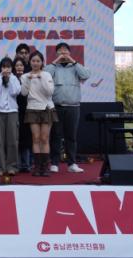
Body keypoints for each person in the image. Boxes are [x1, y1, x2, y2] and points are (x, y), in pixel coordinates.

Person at [45, 42, 90, 173]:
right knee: (56, 135)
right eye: (60, 51)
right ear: (56, 53)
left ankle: (72, 164)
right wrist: (56, 61)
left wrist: (72, 60)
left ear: (70, 53)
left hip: (73, 106)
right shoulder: (53, 67)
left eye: (65, 51)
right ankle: (54, 163)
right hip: (56, 106)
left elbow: (85, 75)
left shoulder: (75, 67)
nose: (63, 53)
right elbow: (45, 75)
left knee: (71, 136)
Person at [20, 51, 56, 177]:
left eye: (38, 61)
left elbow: (50, 92)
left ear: (42, 62)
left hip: (46, 108)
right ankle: (36, 166)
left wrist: (41, 78)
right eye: (33, 61)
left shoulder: (47, 74)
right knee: (35, 138)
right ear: (30, 62)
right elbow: (24, 93)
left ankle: (45, 167)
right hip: (32, 108)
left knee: (44, 138)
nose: (35, 63)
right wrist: (28, 80)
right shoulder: (25, 76)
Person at [0, 57, 22, 176]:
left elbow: (15, 92)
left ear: (11, 68)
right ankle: (0, 167)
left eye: (8, 67)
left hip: (12, 111)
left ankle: (11, 166)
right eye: (4, 67)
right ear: (0, 68)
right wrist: (1, 78)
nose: (6, 69)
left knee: (13, 139)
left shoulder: (15, 79)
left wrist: (10, 78)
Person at [13, 57, 31, 173]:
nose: (19, 67)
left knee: (26, 139)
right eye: (17, 65)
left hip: (27, 111)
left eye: (21, 65)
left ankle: (26, 164)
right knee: (16, 139)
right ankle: (17, 164)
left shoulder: (29, 78)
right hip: (14, 111)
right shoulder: (11, 79)